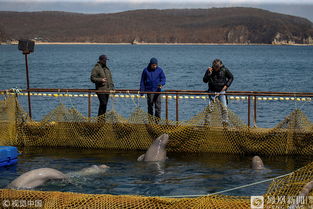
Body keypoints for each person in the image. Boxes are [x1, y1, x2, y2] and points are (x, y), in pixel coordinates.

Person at [203, 59, 233, 125]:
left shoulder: (224, 70)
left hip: (221, 92)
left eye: (217, 66)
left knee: (224, 108)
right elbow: (204, 80)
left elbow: (231, 77)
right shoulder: (209, 70)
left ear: (220, 65)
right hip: (212, 91)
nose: (216, 68)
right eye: (215, 66)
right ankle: (207, 123)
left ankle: (225, 123)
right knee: (210, 108)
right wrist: (209, 74)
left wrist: (225, 87)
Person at [90, 55, 114, 119]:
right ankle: (100, 120)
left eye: (106, 60)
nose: (105, 61)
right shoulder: (96, 68)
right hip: (100, 89)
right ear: (100, 60)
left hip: (107, 90)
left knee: (105, 105)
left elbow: (110, 79)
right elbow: (92, 78)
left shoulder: (106, 69)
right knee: (103, 103)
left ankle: (102, 119)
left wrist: (112, 88)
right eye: (104, 60)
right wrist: (101, 80)